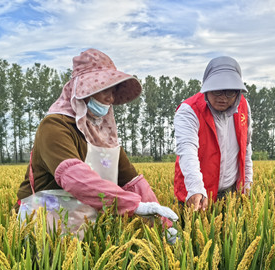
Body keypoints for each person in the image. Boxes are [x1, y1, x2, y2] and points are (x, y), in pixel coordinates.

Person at [16, 48, 178, 240]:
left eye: (113, 91)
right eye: (103, 90)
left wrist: (163, 224)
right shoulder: (55, 126)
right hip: (46, 226)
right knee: (49, 268)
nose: (110, 98)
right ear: (83, 91)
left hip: (87, 226)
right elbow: (73, 176)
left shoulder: (103, 134)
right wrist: (133, 205)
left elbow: (132, 182)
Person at [173, 56, 253, 211]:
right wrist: (195, 188)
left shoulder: (243, 106)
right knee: (192, 234)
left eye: (230, 92)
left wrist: (247, 182)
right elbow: (187, 149)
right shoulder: (189, 110)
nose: (223, 97)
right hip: (195, 193)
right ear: (207, 88)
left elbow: (246, 146)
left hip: (230, 193)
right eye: (217, 91)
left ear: (237, 92)